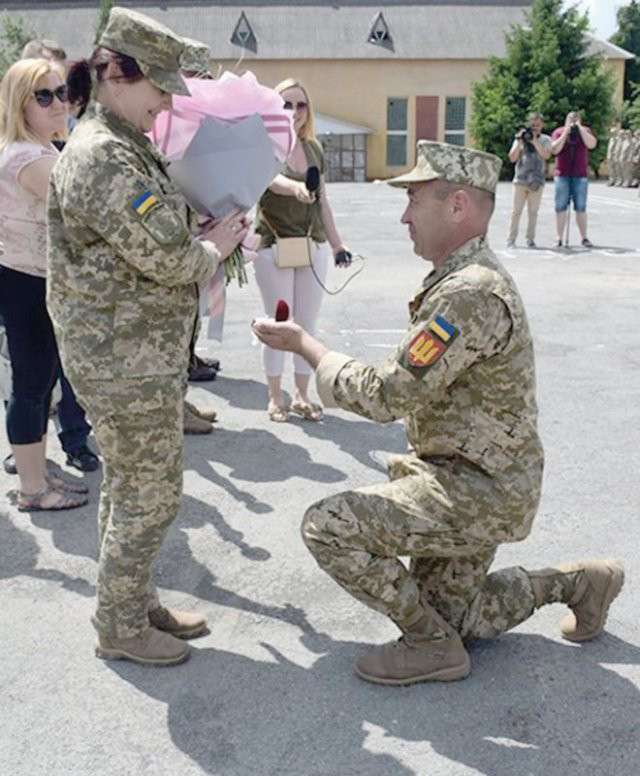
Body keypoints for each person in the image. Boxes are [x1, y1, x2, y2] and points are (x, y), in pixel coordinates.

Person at [253, 140, 624, 686]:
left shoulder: (469, 292)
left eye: (415, 201)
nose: (404, 215)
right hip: (477, 479)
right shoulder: (462, 279)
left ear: (457, 206)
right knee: (461, 618)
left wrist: (306, 346)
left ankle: (429, 647)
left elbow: (386, 394)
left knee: (326, 525)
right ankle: (576, 583)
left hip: (476, 489)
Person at [48, 7, 248, 666]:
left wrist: (199, 226)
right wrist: (214, 247)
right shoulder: (103, 153)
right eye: (159, 88)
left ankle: (133, 603)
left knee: (129, 488)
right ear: (118, 75)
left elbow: (157, 227)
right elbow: (167, 258)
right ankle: (120, 626)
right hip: (121, 359)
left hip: (135, 352)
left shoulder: (123, 141)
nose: (166, 102)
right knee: (152, 494)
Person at [0, 57, 88, 511]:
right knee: (33, 385)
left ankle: (37, 469)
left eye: (62, 92)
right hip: (27, 282)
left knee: (42, 381)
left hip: (36, 279)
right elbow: (85, 201)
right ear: (21, 104)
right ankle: (32, 489)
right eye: (44, 95)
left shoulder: (44, 148)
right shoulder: (26, 156)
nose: (60, 102)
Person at [253, 78, 349, 423]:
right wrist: (295, 188)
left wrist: (338, 244)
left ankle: (302, 395)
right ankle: (275, 396)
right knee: (280, 322)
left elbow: (323, 201)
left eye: (300, 105)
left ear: (309, 111)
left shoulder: (314, 150)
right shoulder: (263, 146)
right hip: (274, 246)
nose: (293, 112)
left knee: (306, 325)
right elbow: (270, 180)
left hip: (313, 246)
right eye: (285, 104)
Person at [551, 111, 597, 248]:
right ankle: (559, 237)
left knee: (581, 207)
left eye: (576, 119)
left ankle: (584, 237)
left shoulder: (585, 131)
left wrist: (580, 129)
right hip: (562, 174)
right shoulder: (559, 132)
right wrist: (566, 132)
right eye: (570, 119)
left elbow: (592, 144)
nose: (573, 122)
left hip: (580, 175)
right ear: (565, 120)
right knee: (560, 207)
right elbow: (554, 149)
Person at [506, 112, 552, 249]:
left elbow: (546, 155)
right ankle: (511, 239)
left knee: (533, 212)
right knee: (516, 211)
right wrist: (519, 141)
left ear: (542, 125)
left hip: (537, 181)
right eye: (533, 125)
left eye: (538, 125)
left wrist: (535, 141)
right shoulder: (521, 138)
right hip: (520, 179)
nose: (535, 128)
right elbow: (512, 158)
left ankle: (530, 239)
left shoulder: (545, 139)